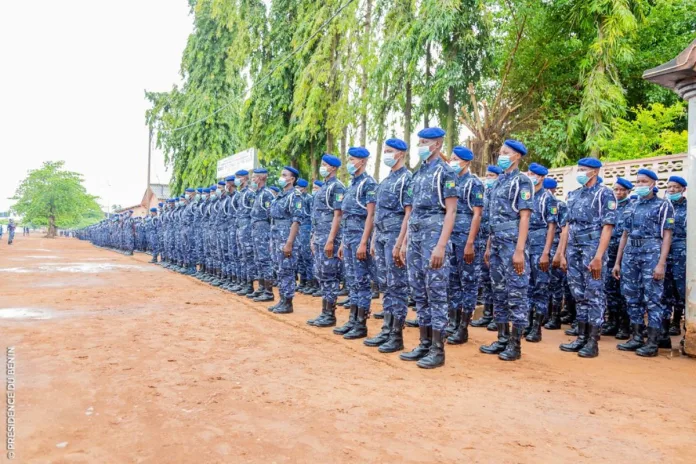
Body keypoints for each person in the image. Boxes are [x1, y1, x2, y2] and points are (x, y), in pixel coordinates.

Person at [399, 127, 457, 369]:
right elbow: (411, 212)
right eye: (420, 141)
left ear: (438, 145)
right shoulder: (418, 173)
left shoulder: (446, 172)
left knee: (436, 294)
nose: (421, 145)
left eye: (426, 142)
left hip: (434, 236)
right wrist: (404, 243)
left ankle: (437, 349)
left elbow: (451, 210)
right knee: (420, 292)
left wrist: (441, 246)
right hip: (416, 237)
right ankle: (424, 343)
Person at [481, 140, 533, 362]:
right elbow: (492, 218)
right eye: (500, 152)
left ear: (517, 156)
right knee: (499, 292)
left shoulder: (522, 181)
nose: (501, 156)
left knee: (516, 293)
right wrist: (489, 245)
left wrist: (519, 250)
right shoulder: (499, 182)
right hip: (497, 245)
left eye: (506, 153)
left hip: (513, 245)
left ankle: (515, 344)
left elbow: (525, 216)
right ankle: (502, 338)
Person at [612, 169, 674, 357]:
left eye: (643, 181)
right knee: (632, 296)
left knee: (653, 297)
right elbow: (624, 234)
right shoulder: (632, 206)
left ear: (653, 184)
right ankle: (637, 336)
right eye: (637, 182)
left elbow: (668, 235)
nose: (639, 185)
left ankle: (653, 341)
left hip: (651, 253)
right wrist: (618, 262)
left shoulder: (663, 205)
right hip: (631, 254)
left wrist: (661, 263)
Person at [559, 158, 616, 358]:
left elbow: (608, 227)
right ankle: (581, 337)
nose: (581, 172)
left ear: (595, 171)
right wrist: (563, 253)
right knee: (578, 293)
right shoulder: (574, 194)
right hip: (574, 248)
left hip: (592, 247)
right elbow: (567, 226)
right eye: (579, 169)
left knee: (594, 293)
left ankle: (593, 341)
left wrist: (599, 256)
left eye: (584, 169)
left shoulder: (605, 194)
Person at [364, 138, 412, 352]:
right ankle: (386, 328)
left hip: (395, 235)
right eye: (384, 151)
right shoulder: (386, 180)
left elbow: (409, 213)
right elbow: (377, 213)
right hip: (382, 235)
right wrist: (373, 238)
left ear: (400, 154)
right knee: (385, 284)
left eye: (389, 151)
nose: (386, 154)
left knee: (397, 285)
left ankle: (396, 335)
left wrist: (401, 242)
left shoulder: (406, 179)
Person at [333, 147, 377, 340]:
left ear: (363, 161)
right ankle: (352, 319)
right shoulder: (352, 185)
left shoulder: (368, 184)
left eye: (353, 159)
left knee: (361, 281)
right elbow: (345, 217)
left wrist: (363, 242)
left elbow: (371, 215)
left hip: (360, 238)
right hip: (348, 238)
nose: (350, 163)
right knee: (351, 280)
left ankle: (361, 324)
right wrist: (343, 242)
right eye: (349, 159)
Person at [445, 146, 484, 345]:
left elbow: (477, 214)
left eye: (456, 159)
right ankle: (452, 322)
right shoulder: (449, 182)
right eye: (451, 158)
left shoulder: (473, 184)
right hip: (450, 240)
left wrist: (470, 243)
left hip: (465, 240)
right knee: (452, 282)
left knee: (467, 283)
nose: (452, 161)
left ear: (466, 162)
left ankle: (463, 327)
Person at [306, 155, 345, 327]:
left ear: (333, 168)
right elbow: (316, 217)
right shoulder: (323, 188)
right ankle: (324, 311)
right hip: (320, 237)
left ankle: (330, 314)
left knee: (330, 276)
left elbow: (338, 215)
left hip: (330, 238)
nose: (322, 167)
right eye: (321, 164)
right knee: (322, 275)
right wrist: (314, 237)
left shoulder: (337, 187)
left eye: (325, 165)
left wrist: (330, 240)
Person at [524, 163, 557, 343]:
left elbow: (552, 227)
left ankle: (537, 327)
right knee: (526, 286)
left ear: (542, 177)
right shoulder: (526, 196)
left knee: (540, 287)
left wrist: (546, 252)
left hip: (540, 247)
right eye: (528, 173)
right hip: (526, 246)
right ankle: (527, 324)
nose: (530, 176)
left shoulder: (548, 198)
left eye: (533, 174)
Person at [267, 166, 304, 314]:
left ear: (292, 179)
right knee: (279, 270)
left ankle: (288, 302)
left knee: (287, 270)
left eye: (284, 175)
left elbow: (296, 221)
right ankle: (282, 300)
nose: (281, 177)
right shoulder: (280, 196)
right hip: (276, 237)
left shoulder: (295, 196)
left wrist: (289, 243)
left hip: (286, 237)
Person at [602, 177, 633, 338]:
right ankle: (611, 322)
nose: (619, 192)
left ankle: (624, 325)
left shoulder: (631, 208)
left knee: (623, 291)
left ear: (628, 192)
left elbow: (626, 235)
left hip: (622, 255)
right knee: (609, 289)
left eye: (622, 190)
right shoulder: (610, 207)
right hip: (607, 253)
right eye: (616, 189)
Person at [471, 165, 502, 330]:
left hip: (495, 240)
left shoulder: (498, 195)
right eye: (487, 175)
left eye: (492, 175)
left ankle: (498, 316)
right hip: (483, 240)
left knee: (497, 280)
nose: (488, 178)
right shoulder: (485, 194)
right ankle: (488, 313)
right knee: (486, 278)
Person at [664, 176, 687, 338]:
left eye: (676, 187)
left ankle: (678, 322)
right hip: (664, 253)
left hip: (682, 253)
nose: (672, 190)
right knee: (665, 288)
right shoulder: (664, 207)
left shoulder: (690, 208)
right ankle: (665, 324)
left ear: (683, 189)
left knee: (681, 289)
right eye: (670, 187)